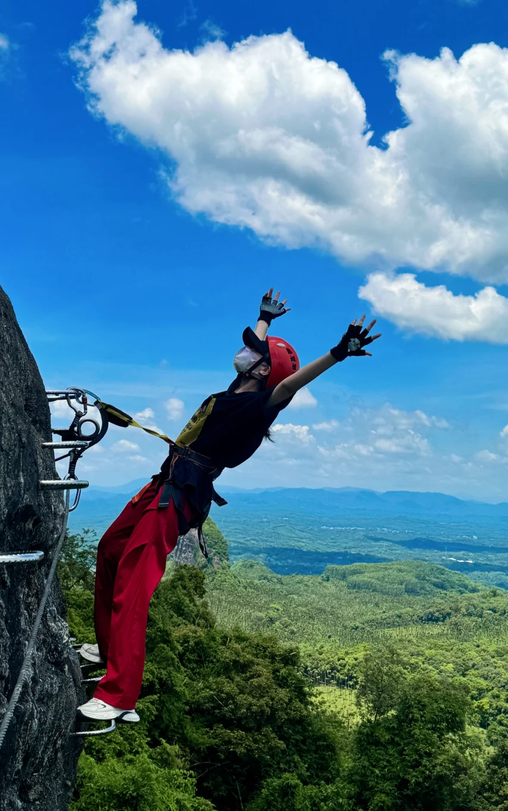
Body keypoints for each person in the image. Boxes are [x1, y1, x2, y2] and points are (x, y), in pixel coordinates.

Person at [77, 290, 381, 722]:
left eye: (252, 353)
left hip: (179, 493)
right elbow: (258, 355)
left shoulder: (260, 406)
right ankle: (108, 650)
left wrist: (337, 353)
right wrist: (263, 320)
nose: (241, 353)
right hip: (163, 481)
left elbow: (289, 382)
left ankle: (120, 695)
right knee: (109, 550)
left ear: (261, 370)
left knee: (133, 580)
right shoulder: (233, 391)